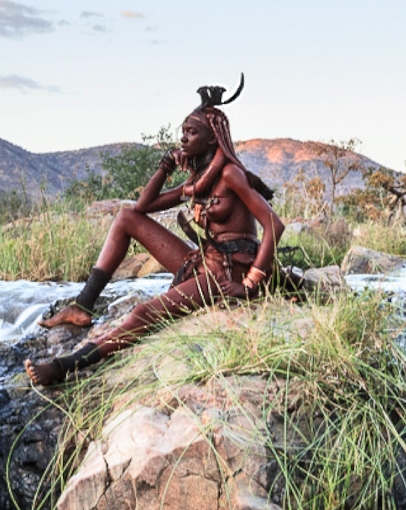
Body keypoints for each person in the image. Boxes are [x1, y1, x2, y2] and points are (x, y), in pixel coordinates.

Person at [25, 75, 284, 385]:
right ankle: (83, 305)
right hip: (205, 262)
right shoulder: (197, 181)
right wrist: (166, 166)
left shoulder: (230, 174)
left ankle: (64, 367)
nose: (184, 139)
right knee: (125, 218)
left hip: (228, 273)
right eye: (183, 132)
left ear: (212, 138)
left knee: (144, 313)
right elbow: (143, 206)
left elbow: (274, 225)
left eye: (192, 132)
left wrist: (250, 284)